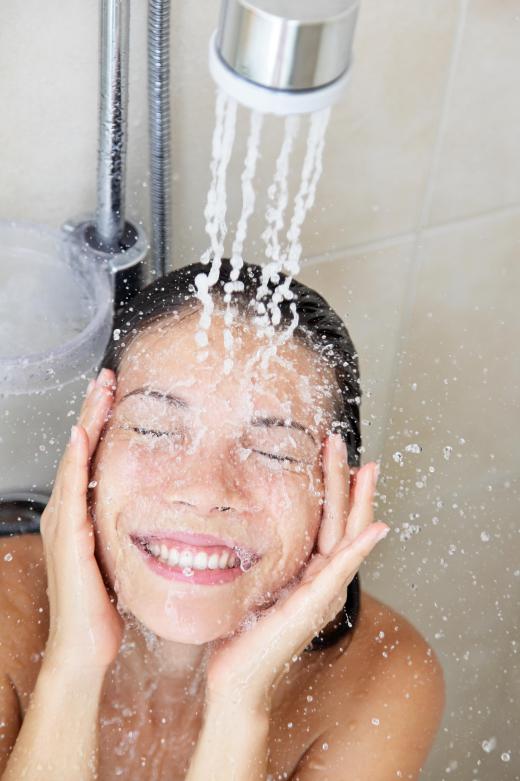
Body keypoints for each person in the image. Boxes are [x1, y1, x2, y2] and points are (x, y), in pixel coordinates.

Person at [0, 260, 445, 780]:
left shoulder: (381, 677)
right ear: (91, 449)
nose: (205, 491)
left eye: (275, 451)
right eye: (154, 428)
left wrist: (240, 703)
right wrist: (72, 665)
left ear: (337, 495)